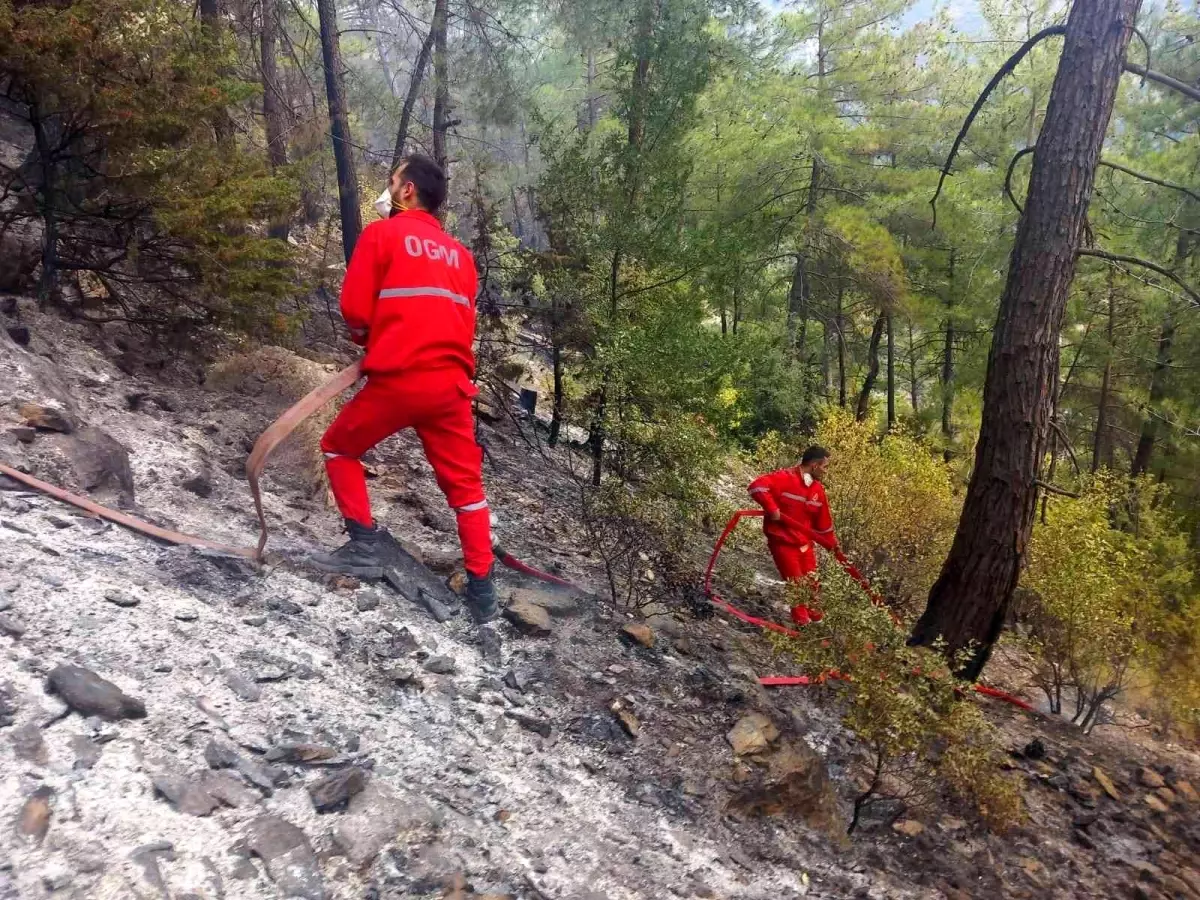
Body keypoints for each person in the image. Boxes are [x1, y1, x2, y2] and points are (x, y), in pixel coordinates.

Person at [312, 154, 497, 624]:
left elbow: (355, 308)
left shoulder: (381, 235)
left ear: (407, 190)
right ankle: (483, 595)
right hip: (451, 387)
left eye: (393, 181)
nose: (389, 188)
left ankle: (364, 546)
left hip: (400, 379)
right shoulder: (461, 256)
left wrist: (371, 340)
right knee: (467, 492)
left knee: (338, 447)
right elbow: (461, 320)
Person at [747, 445, 838, 625]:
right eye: (825, 467)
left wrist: (833, 545)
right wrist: (772, 508)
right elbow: (756, 487)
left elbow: (823, 524)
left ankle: (819, 625)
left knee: (813, 586)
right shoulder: (784, 478)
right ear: (814, 465)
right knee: (796, 585)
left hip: (805, 545)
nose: (826, 472)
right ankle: (802, 626)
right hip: (783, 544)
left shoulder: (817, 490)